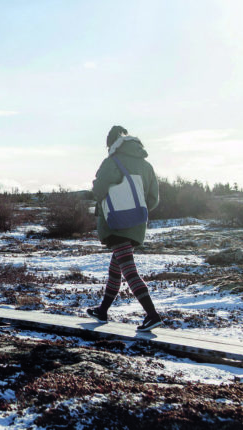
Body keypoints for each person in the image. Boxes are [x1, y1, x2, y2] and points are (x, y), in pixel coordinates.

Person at [87, 126, 162, 332]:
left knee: (129, 270)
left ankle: (152, 314)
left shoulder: (112, 162)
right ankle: (102, 310)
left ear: (112, 144)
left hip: (117, 222)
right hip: (136, 223)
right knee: (116, 269)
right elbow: (153, 199)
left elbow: (99, 190)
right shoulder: (146, 165)